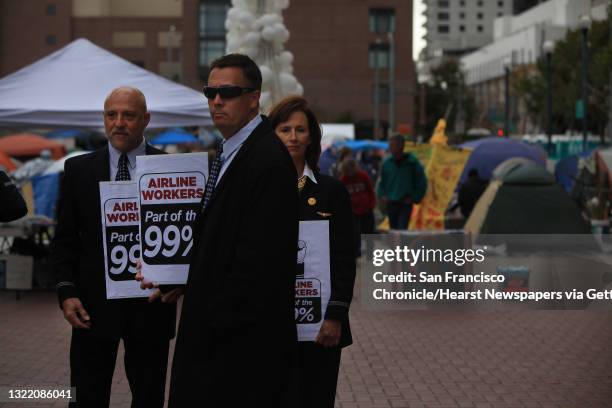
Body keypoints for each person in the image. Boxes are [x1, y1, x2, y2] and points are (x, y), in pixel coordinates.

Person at [167, 54, 298, 407]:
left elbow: (260, 263)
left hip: (237, 347)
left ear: (254, 97)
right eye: (210, 92)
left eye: (228, 92)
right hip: (216, 334)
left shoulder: (268, 159)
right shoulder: (230, 151)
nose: (217, 101)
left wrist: (215, 324)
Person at [51, 87, 177, 408]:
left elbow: (186, 239)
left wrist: (176, 281)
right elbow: (65, 239)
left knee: (148, 398)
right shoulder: (78, 170)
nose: (119, 123)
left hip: (151, 305)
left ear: (146, 119)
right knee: (85, 397)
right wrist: (67, 292)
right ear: (104, 119)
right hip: (92, 307)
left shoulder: (173, 169)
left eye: (129, 115)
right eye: (111, 115)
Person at [269, 96, 356, 408]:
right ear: (272, 135)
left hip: (320, 326)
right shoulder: (258, 190)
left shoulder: (332, 191)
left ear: (311, 137)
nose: (293, 137)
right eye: (284, 129)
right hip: (268, 325)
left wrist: (335, 315)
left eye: (300, 130)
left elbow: (345, 259)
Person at [377, 134, 427, 229]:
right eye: (390, 145)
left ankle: (401, 245)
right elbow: (381, 182)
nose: (390, 147)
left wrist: (414, 197)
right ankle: (395, 244)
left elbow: (422, 182)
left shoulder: (412, 163)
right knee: (393, 230)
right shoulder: (387, 164)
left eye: (393, 145)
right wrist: (382, 195)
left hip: (405, 203)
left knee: (402, 229)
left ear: (401, 146)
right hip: (391, 203)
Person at [340, 157, 376, 236]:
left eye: (351, 170)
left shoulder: (363, 176)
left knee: (369, 232)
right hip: (352, 212)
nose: (350, 173)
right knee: (355, 233)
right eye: (347, 171)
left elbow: (370, 191)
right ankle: (357, 248)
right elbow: (342, 197)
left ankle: (369, 248)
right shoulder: (343, 180)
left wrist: (371, 205)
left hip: (366, 209)